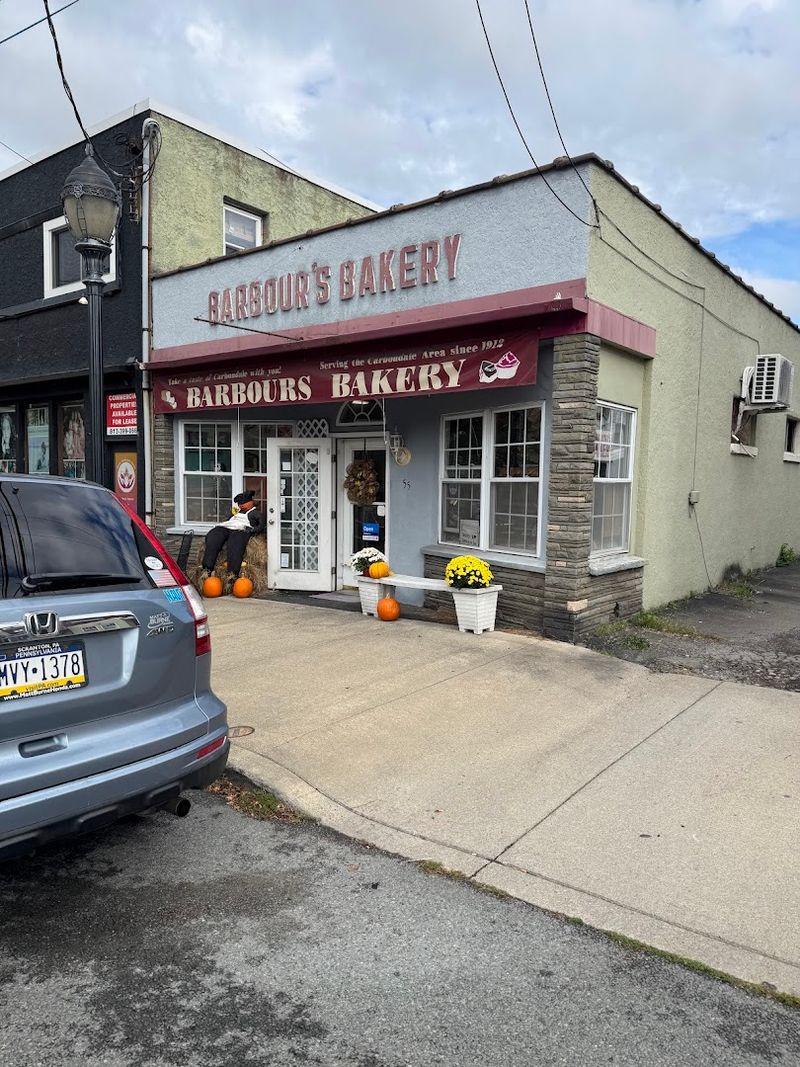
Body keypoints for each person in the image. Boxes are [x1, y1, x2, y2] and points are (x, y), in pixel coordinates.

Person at [202, 490, 265, 577]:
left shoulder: (255, 513)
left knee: (235, 543)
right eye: (239, 503)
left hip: (240, 530)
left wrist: (252, 530)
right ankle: (207, 567)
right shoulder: (236, 512)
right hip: (228, 527)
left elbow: (261, 526)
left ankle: (232, 573)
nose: (241, 505)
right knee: (214, 536)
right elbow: (229, 520)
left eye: (243, 503)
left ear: (251, 502)